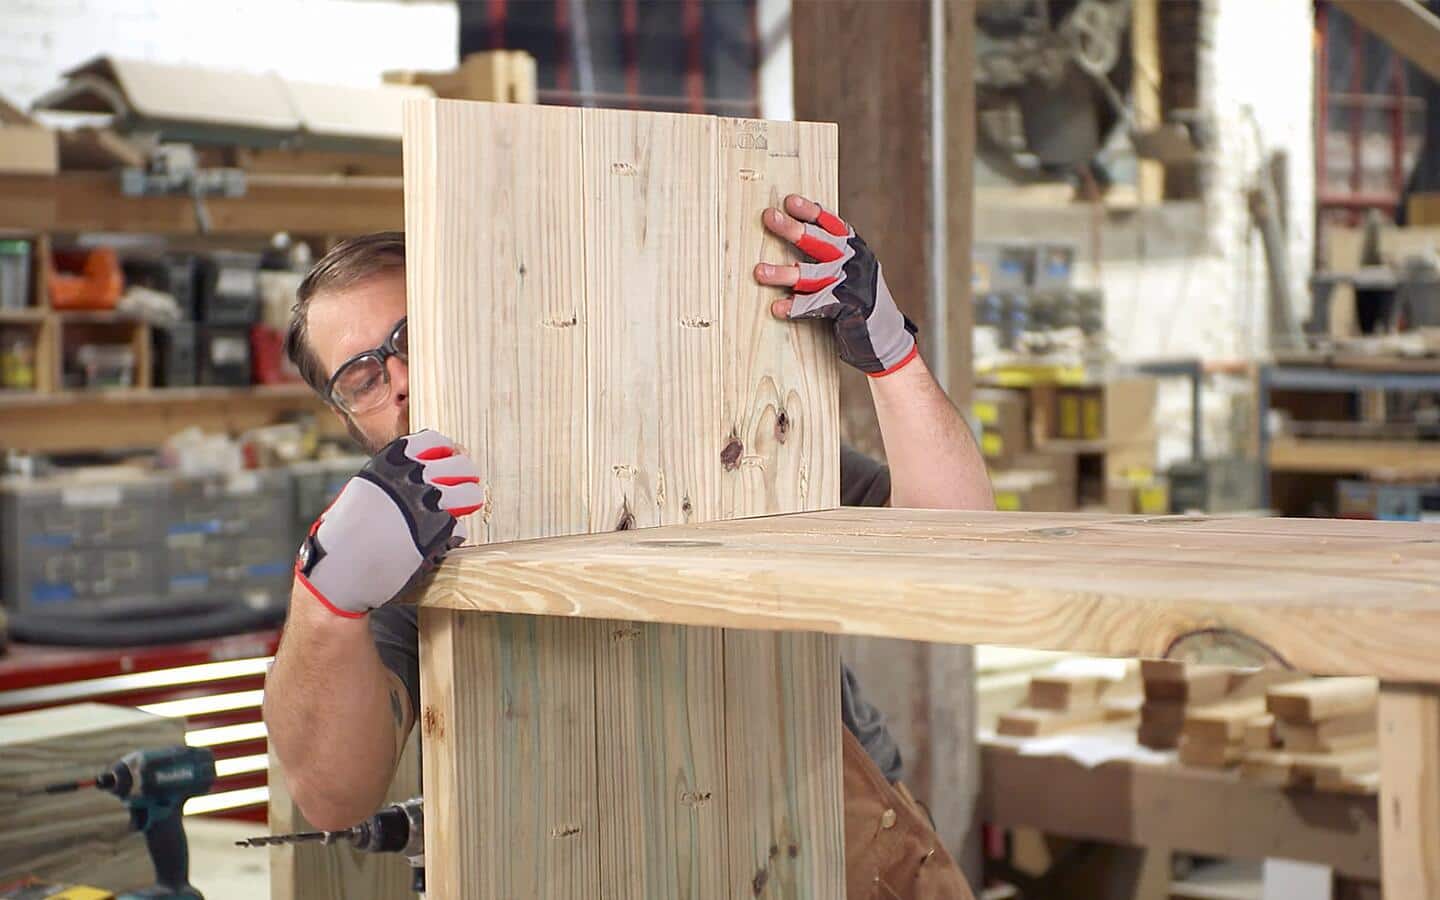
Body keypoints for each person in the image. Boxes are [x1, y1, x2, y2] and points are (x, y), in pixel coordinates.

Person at [264, 194, 993, 899]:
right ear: (345, 414)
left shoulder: (707, 437)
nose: (402, 382)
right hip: (590, 864)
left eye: (413, 338)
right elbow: (333, 797)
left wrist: (890, 352)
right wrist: (327, 597)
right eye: (361, 376)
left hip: (830, 841)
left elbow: (955, 539)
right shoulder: (390, 544)